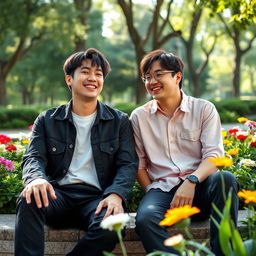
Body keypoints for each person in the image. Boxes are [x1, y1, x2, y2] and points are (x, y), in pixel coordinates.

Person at [15, 48, 138, 256]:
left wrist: (116, 194)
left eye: (98, 74)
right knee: (28, 199)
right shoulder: (47, 120)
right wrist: (35, 179)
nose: (93, 78)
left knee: (111, 227)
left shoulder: (119, 121)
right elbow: (33, 156)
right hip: (58, 195)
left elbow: (127, 164)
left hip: (98, 198)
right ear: (69, 79)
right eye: (86, 72)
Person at [130, 49, 238, 256]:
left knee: (226, 180)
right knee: (145, 219)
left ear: (177, 76)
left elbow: (215, 155)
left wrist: (191, 181)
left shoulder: (204, 109)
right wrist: (151, 192)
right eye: (147, 77)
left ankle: (223, 253)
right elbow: (140, 164)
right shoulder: (139, 117)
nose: (152, 81)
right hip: (163, 191)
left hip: (201, 187)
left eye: (158, 74)